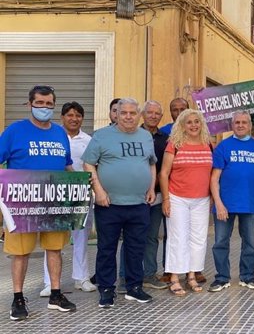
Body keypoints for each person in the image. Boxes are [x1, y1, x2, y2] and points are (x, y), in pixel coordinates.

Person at [1, 85, 76, 320]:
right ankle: (18, 298)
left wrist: (78, 186)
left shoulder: (59, 133)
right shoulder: (14, 131)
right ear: (30, 104)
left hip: (54, 202)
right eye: (39, 103)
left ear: (54, 105)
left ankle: (55, 294)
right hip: (21, 203)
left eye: (49, 104)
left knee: (55, 249)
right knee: (21, 253)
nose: (44, 108)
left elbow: (67, 164)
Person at [82, 98, 157, 308]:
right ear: (116, 113)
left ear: (138, 115)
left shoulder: (145, 136)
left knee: (136, 248)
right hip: (109, 204)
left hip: (139, 203)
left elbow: (151, 164)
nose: (128, 116)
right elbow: (88, 163)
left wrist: (151, 188)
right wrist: (98, 191)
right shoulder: (102, 136)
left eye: (133, 113)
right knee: (107, 248)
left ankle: (134, 287)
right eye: (123, 112)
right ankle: (106, 290)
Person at [39, 102, 97, 298]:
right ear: (62, 117)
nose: (74, 118)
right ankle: (49, 282)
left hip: (81, 195)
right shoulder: (53, 136)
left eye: (78, 115)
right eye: (70, 115)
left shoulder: (89, 140)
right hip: (54, 194)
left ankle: (82, 278)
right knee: (52, 239)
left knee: (81, 237)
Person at [209, 110, 254, 292]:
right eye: (237, 122)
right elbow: (214, 178)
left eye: (244, 122)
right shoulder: (223, 146)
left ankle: (248, 276)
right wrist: (218, 202)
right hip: (225, 204)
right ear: (232, 125)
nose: (241, 125)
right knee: (220, 242)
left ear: (250, 125)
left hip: (249, 202)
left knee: (250, 242)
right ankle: (222, 277)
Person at [158, 109, 213, 296]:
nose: (193, 125)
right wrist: (165, 199)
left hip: (202, 199)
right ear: (182, 125)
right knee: (177, 237)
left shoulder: (207, 144)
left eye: (197, 121)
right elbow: (164, 173)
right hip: (177, 197)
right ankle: (174, 277)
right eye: (189, 122)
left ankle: (191, 275)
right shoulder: (174, 144)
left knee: (198, 238)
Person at [139, 100, 169, 290]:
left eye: (157, 113)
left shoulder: (165, 139)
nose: (153, 116)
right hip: (134, 195)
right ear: (142, 114)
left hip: (157, 195)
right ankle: (127, 277)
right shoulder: (134, 135)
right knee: (131, 237)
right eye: (149, 112)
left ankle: (149, 274)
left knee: (151, 237)